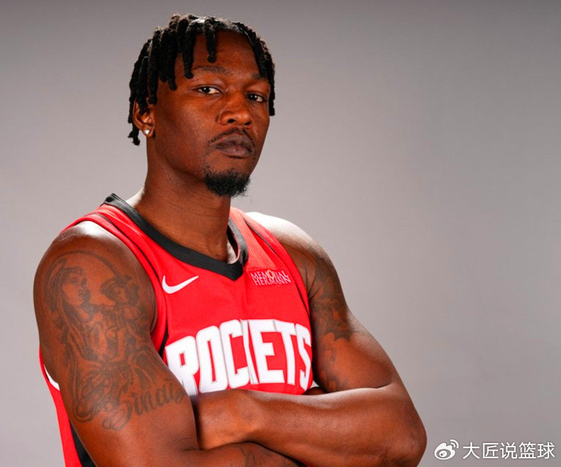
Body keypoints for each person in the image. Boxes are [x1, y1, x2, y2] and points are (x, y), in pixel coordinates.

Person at [34, 13, 427, 467]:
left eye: (256, 96)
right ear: (146, 111)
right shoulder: (94, 265)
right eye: (208, 89)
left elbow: (402, 437)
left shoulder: (293, 254)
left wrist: (242, 412)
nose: (241, 113)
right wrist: (326, 435)